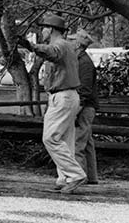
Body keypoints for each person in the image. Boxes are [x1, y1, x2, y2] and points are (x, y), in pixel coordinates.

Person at [17, 13, 85, 193]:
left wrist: (31, 46)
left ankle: (75, 174)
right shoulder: (67, 46)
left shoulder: (60, 45)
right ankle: (64, 178)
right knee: (64, 139)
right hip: (66, 95)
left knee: (50, 138)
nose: (43, 31)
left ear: (52, 29)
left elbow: (51, 53)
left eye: (44, 28)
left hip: (63, 96)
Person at [72, 30, 99, 184]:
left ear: (77, 45)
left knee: (78, 142)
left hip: (85, 107)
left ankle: (79, 176)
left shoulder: (84, 63)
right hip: (86, 106)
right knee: (87, 142)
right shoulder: (82, 60)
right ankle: (91, 176)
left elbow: (85, 91)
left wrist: (76, 110)